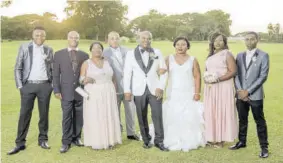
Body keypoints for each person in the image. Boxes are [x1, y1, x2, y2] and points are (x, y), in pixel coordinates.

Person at [8, 26, 54, 155]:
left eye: (42, 35)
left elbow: (53, 68)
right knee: (24, 114)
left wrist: (52, 85)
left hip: (45, 86)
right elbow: (18, 67)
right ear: (32, 36)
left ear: (45, 37)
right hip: (28, 86)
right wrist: (20, 86)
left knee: (44, 114)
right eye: (37, 35)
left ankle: (43, 140)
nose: (40, 37)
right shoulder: (24, 47)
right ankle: (20, 143)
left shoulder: (49, 49)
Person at [123, 31, 168, 151]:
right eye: (143, 38)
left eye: (149, 38)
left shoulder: (156, 52)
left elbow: (163, 71)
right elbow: (127, 74)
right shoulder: (130, 54)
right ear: (138, 39)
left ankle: (159, 141)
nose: (146, 40)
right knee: (141, 116)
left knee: (157, 115)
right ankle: (146, 140)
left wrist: (161, 87)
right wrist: (127, 90)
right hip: (138, 90)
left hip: (155, 89)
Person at [161, 37, 206, 151]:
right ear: (174, 46)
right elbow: (161, 73)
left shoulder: (193, 59)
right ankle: (172, 138)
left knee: (189, 116)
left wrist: (197, 93)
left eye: (183, 44)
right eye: (178, 44)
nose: (180, 47)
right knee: (173, 115)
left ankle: (189, 138)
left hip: (188, 92)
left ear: (188, 46)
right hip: (174, 92)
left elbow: (197, 76)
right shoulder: (168, 59)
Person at [230, 32, 270, 158]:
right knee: (242, 119)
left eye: (252, 39)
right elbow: (236, 74)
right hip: (240, 94)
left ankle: (264, 148)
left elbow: (263, 76)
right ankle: (242, 141)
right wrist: (241, 91)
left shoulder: (263, 55)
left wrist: (248, 91)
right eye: (246, 39)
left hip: (255, 95)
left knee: (260, 121)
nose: (249, 41)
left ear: (257, 40)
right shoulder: (240, 55)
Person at [80, 42, 122, 150]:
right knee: (96, 115)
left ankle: (110, 141)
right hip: (94, 93)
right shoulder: (86, 63)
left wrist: (116, 92)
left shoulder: (107, 62)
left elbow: (113, 78)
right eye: (94, 48)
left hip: (109, 92)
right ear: (91, 50)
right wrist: (86, 79)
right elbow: (80, 79)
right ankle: (97, 141)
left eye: (99, 48)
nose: (97, 50)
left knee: (108, 115)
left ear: (102, 50)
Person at [53, 31, 89, 153]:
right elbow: (56, 74)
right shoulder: (58, 54)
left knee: (79, 116)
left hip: (80, 91)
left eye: (76, 37)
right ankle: (66, 142)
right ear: (67, 38)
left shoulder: (84, 55)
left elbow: (86, 74)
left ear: (79, 39)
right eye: (71, 37)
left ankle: (77, 137)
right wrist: (57, 90)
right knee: (67, 117)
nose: (74, 39)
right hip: (65, 91)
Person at [203, 32, 238, 148]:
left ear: (224, 42)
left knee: (221, 110)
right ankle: (212, 137)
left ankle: (221, 139)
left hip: (223, 87)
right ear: (212, 42)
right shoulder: (210, 56)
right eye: (215, 40)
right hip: (211, 88)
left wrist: (218, 79)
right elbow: (207, 70)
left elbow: (233, 71)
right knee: (211, 110)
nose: (218, 43)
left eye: (220, 40)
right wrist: (207, 78)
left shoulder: (227, 54)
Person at [103, 31, 139, 141]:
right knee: (115, 110)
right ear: (108, 40)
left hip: (128, 85)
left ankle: (131, 132)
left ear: (119, 39)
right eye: (112, 38)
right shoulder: (104, 52)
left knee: (130, 109)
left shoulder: (127, 50)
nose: (114, 40)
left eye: (116, 38)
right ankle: (117, 130)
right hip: (114, 85)